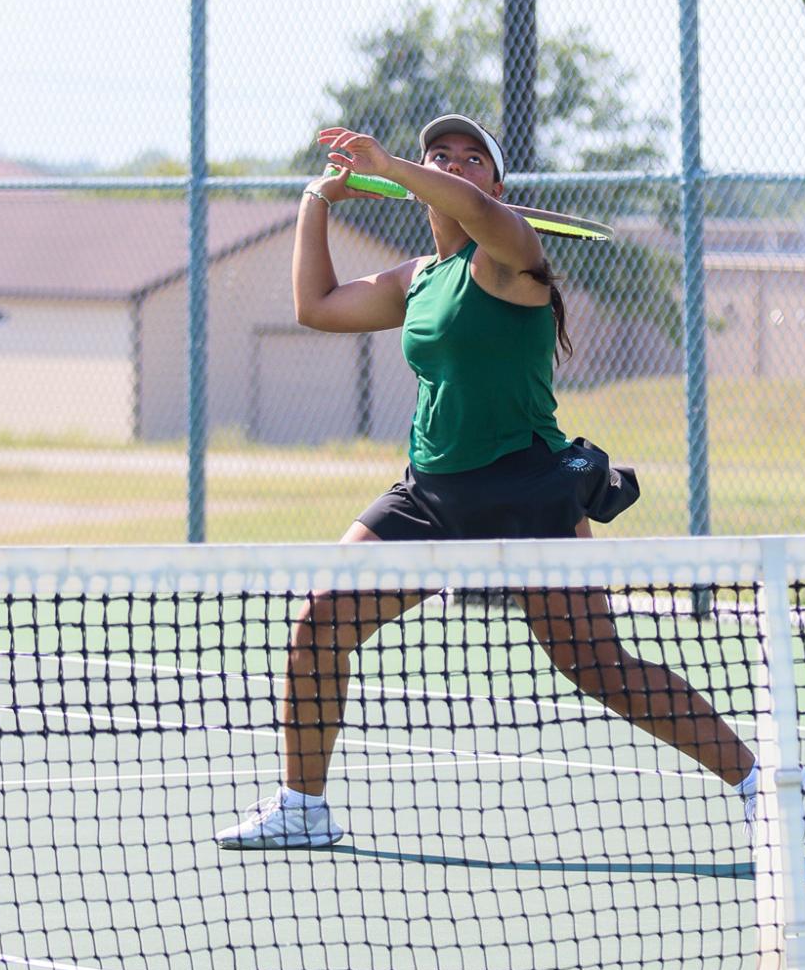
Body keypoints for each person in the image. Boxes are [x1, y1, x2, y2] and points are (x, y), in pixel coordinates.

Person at [216, 115, 758, 849]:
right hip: (430, 494)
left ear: (498, 187)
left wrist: (399, 163)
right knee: (321, 622)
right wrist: (318, 199)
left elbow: (472, 215)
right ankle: (303, 807)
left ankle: (761, 785)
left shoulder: (510, 254)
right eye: (442, 155)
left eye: (474, 160)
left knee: (601, 668)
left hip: (526, 492)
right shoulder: (419, 279)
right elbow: (315, 306)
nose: (455, 165)